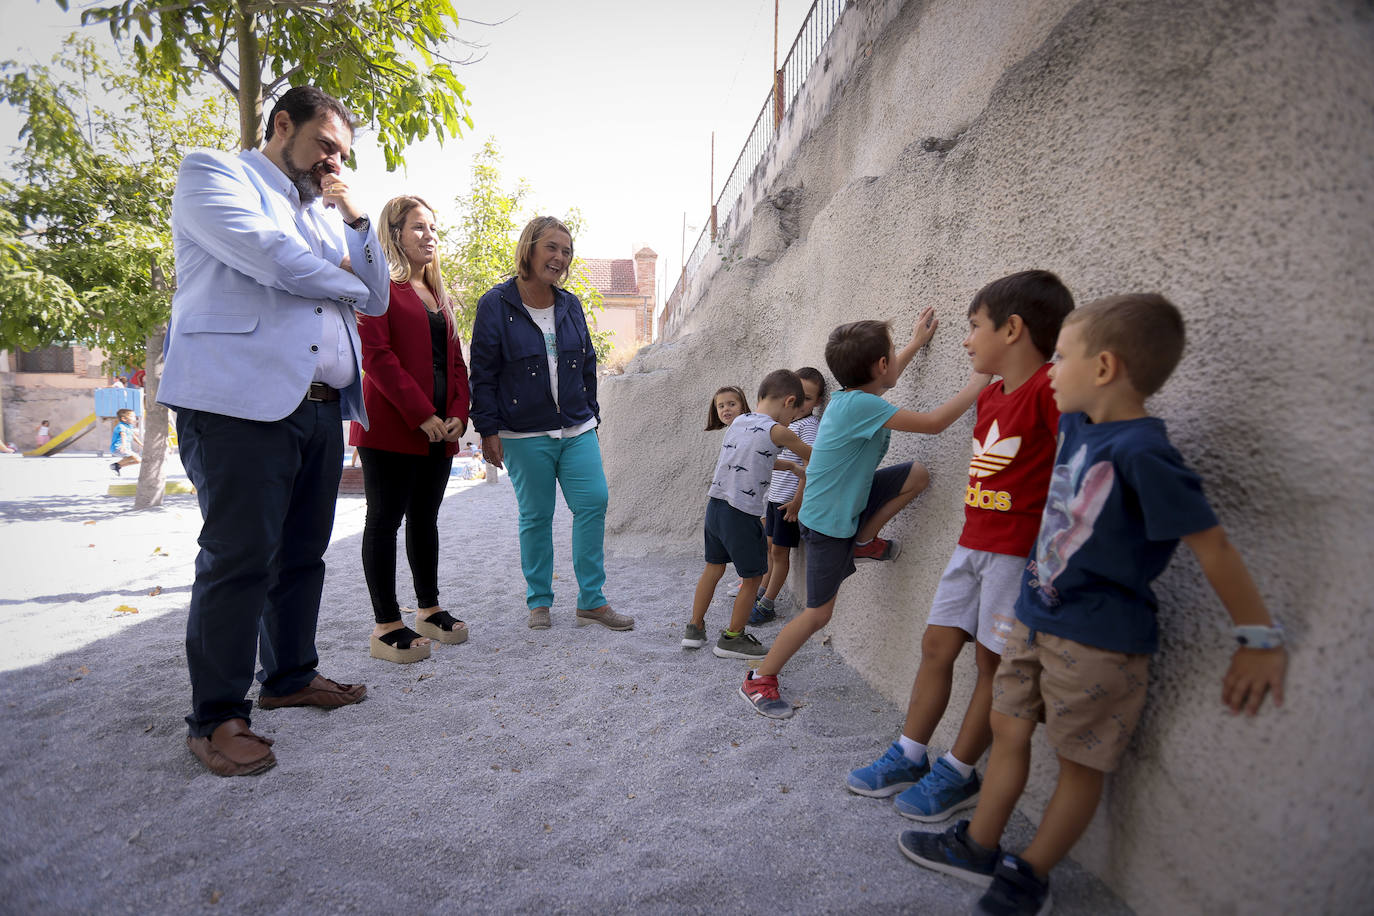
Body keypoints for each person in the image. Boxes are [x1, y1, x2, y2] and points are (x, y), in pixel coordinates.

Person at [899, 294, 1287, 915]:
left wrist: (1258, 638)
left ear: (1103, 369)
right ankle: (978, 846)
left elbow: (1211, 545)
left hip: (1100, 640)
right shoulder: (1080, 424)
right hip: (1034, 616)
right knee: (1009, 727)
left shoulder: (1145, 454)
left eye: (1061, 358)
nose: (1050, 371)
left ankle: (1029, 876)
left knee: (1080, 764)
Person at [158, 85, 390, 777]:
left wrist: (353, 215)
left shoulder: (321, 213)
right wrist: (340, 282)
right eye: (324, 146)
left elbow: (377, 292)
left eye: (342, 155)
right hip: (235, 401)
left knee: (301, 554)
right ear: (280, 124)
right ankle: (217, 717)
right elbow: (270, 259)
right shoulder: (213, 174)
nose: (331, 163)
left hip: (320, 405)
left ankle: (289, 675)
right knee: (239, 557)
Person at [846, 271, 1073, 822]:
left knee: (992, 664)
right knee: (936, 646)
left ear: (1013, 329)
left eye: (975, 327)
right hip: (971, 544)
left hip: (1018, 555)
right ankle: (909, 754)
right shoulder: (991, 394)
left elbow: (1070, 473)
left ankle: (960, 771)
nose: (967, 340)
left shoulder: (1052, 390)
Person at [739, 309, 990, 719]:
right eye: (892, 354)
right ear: (880, 365)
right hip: (825, 522)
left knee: (917, 475)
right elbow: (933, 424)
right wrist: (979, 380)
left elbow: (884, 379)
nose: (894, 360)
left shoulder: (854, 398)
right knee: (818, 613)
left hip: (847, 503)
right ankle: (759, 678)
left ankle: (863, 541)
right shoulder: (860, 407)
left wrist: (912, 344)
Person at [468, 216, 633, 632]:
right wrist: (488, 430)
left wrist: (591, 412)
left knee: (593, 501)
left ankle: (592, 601)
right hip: (523, 432)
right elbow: (483, 373)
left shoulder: (571, 304)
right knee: (537, 515)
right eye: (552, 248)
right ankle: (539, 601)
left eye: (566, 250)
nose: (560, 257)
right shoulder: (496, 304)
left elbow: (589, 364)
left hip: (577, 428)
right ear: (530, 248)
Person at [349, 195, 471, 664]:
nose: (429, 235)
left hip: (441, 431)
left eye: (434, 227)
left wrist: (459, 413)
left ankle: (429, 609)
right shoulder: (380, 287)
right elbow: (376, 357)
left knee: (426, 520)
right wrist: (422, 414)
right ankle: (386, 625)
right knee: (384, 522)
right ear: (394, 233)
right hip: (393, 428)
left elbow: (455, 363)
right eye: (418, 226)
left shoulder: (440, 294)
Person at [682, 369, 813, 659]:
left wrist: (790, 467)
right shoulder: (779, 430)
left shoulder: (741, 421)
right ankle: (732, 638)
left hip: (715, 507)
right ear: (789, 401)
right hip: (741, 514)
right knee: (753, 577)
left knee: (713, 569)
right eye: (794, 413)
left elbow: (758, 458)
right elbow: (815, 456)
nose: (792, 420)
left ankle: (695, 628)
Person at [751, 367, 827, 625]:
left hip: (788, 502)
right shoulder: (785, 424)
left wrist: (798, 501)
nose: (799, 402)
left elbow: (811, 465)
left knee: (780, 554)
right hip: (774, 499)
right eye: (797, 396)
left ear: (818, 402)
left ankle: (767, 604)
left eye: (807, 398)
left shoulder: (809, 426)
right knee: (770, 548)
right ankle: (761, 592)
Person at [109, 408, 143, 475]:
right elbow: (123, 435)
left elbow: (133, 437)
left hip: (125, 448)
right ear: (124, 419)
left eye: (134, 416)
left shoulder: (129, 426)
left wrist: (141, 445)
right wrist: (123, 445)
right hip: (118, 448)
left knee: (138, 460)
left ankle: (117, 466)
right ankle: (116, 465)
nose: (134, 418)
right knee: (134, 456)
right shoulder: (121, 426)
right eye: (132, 416)